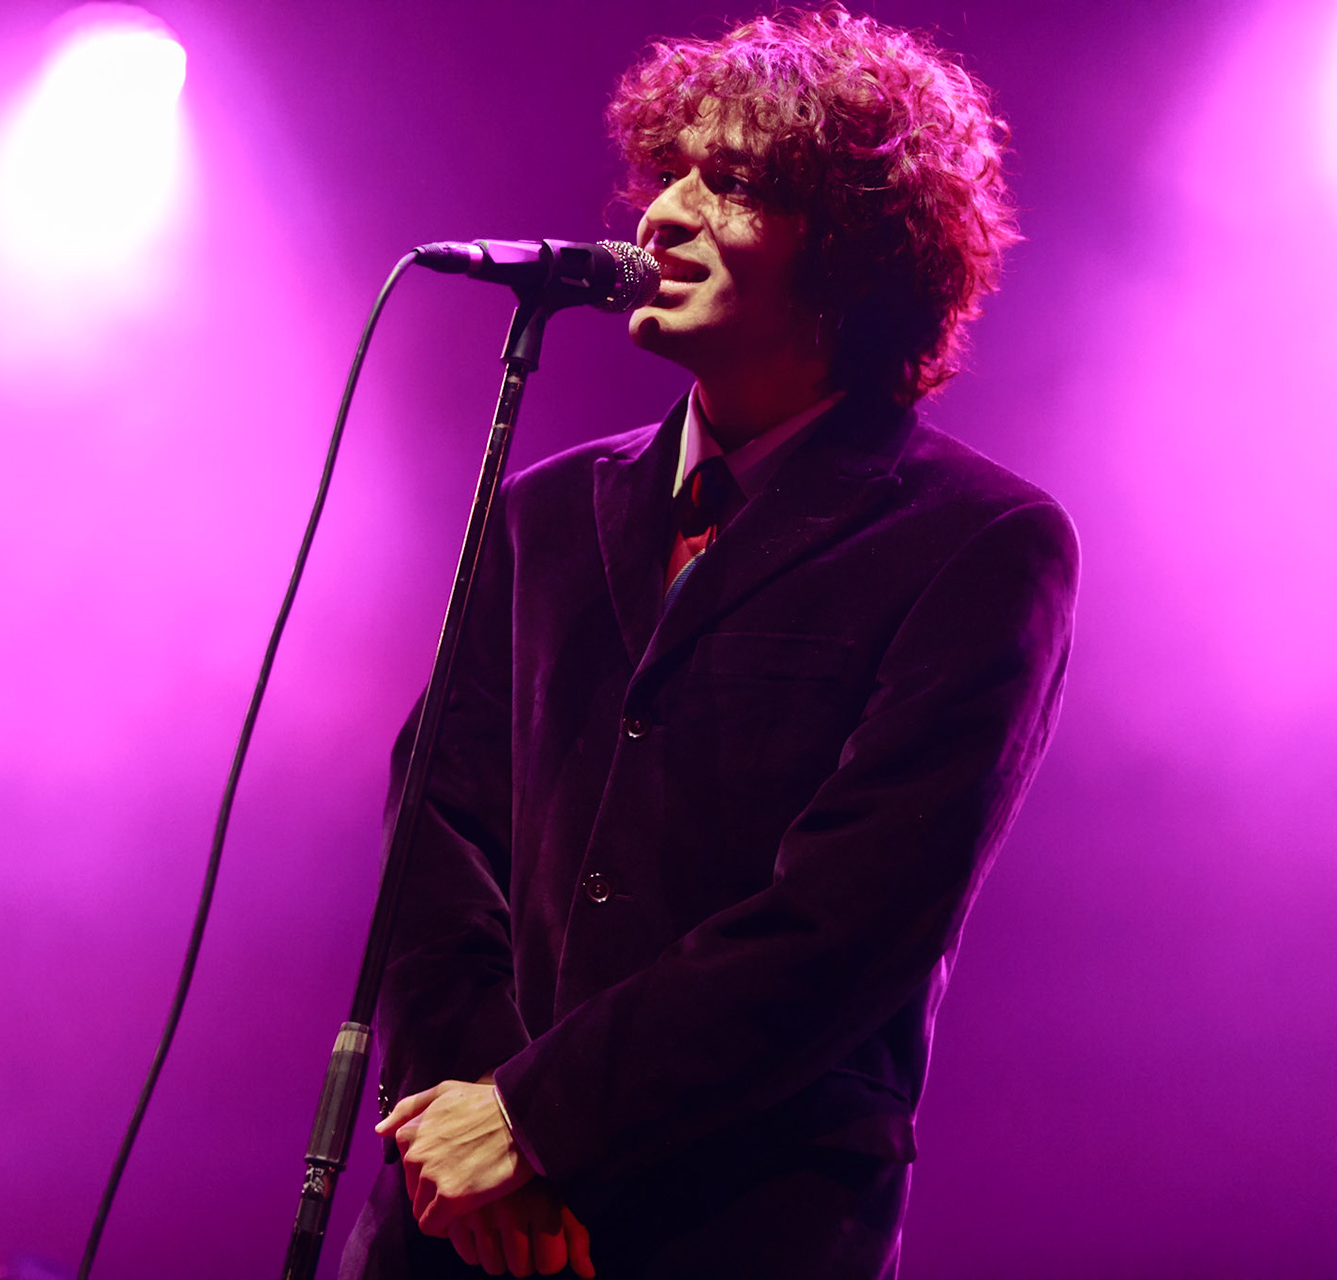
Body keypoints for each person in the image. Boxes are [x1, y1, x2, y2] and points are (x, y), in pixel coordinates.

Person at [342, 6, 1077, 1279]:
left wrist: (537, 1117)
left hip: (737, 1220)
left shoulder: (980, 541)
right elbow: (436, 830)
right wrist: (468, 1115)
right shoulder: (549, 510)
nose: (662, 214)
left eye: (729, 183)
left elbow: (848, 918)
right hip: (459, 1217)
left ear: (852, 241)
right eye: (670, 171)